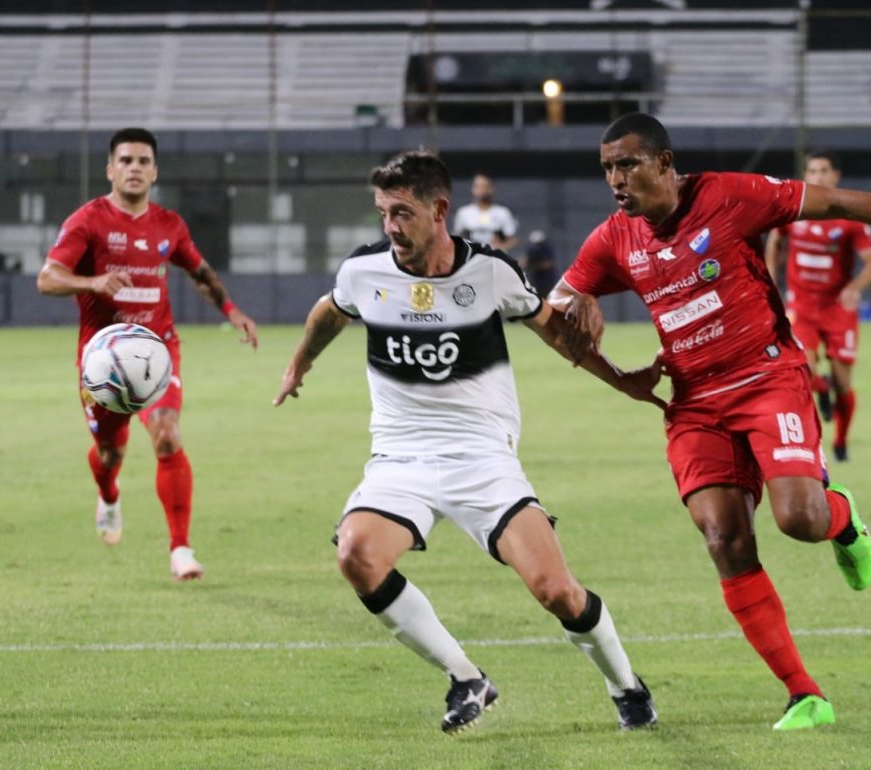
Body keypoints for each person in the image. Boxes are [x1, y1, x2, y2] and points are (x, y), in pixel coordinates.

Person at [550, 113, 871, 731]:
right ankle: (804, 694)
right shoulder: (612, 240)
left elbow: (837, 201)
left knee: (799, 520)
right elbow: (550, 315)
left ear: (663, 162)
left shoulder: (730, 195)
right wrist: (612, 365)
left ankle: (841, 519)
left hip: (766, 380)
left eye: (626, 164)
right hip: (695, 404)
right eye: (606, 169)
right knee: (723, 541)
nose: (615, 180)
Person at [274, 151, 660, 734]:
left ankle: (626, 686)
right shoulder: (365, 271)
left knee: (556, 591)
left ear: (439, 210)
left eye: (402, 213)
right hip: (400, 457)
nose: (390, 228)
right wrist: (298, 364)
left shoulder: (491, 273)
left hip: (483, 458)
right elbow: (331, 311)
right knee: (357, 553)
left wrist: (623, 380)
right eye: (383, 213)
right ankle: (466, 678)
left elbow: (560, 336)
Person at [37, 127, 258, 581]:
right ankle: (110, 493)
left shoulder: (169, 225)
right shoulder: (88, 221)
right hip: (101, 363)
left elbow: (200, 271)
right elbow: (48, 278)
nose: (134, 168)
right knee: (109, 452)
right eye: (125, 160)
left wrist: (231, 310)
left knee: (167, 435)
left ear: (155, 170)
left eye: (142, 161)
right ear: (110, 168)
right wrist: (91, 282)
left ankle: (180, 549)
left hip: (157, 351)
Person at [764, 151, 871, 462]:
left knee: (844, 382)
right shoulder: (794, 210)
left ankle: (841, 442)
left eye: (823, 171)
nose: (818, 177)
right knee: (804, 371)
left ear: (835, 176)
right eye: (812, 171)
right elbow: (774, 241)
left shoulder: (849, 219)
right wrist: (770, 282)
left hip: (837, 309)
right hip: (801, 306)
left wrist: (853, 287)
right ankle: (821, 390)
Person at [452, 173, 519, 253]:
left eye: (484, 186)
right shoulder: (463, 213)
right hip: (471, 259)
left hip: (495, 258)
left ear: (491, 188)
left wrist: (503, 247)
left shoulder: (503, 212)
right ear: (473, 189)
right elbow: (456, 238)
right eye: (478, 186)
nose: (481, 190)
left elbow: (513, 239)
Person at [521, 229, 559, 298]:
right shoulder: (531, 250)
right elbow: (524, 262)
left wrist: (536, 266)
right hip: (536, 281)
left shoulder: (547, 249)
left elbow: (549, 263)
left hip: (547, 281)